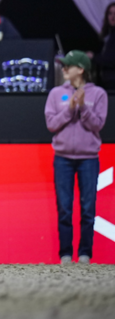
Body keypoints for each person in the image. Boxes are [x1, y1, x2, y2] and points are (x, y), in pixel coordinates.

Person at [45, 50, 108, 264]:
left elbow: (97, 125)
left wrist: (82, 107)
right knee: (64, 207)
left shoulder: (98, 94)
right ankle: (65, 254)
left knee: (88, 207)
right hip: (62, 157)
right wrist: (70, 109)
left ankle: (85, 254)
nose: (63, 69)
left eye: (67, 65)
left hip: (88, 158)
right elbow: (51, 124)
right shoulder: (55, 94)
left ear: (80, 69)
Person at [94, 2, 115, 90]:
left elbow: (111, 60)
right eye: (110, 13)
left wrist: (93, 57)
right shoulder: (109, 35)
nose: (113, 17)